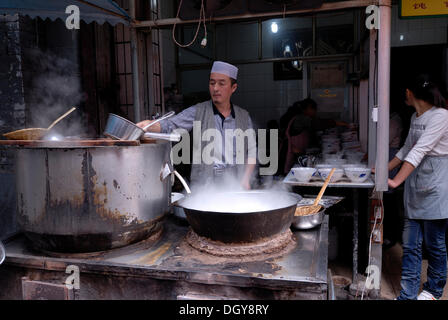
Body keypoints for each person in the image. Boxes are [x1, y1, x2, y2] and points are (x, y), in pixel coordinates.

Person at [137, 61, 256, 190]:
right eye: (212, 83)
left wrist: (245, 179)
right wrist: (149, 125)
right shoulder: (198, 111)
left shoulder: (244, 117)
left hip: (234, 182)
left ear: (233, 88)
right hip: (205, 185)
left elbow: (251, 152)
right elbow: (171, 125)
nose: (215, 88)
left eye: (221, 83)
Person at [386, 74, 448, 300]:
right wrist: (384, 169)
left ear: (412, 93)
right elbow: (405, 149)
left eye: (406, 91)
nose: (404, 94)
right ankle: (407, 294)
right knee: (411, 245)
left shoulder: (441, 116)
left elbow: (419, 151)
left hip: (436, 189)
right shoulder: (415, 116)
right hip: (416, 190)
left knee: (435, 244)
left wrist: (395, 180)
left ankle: (433, 290)